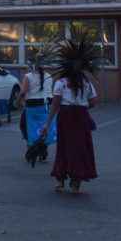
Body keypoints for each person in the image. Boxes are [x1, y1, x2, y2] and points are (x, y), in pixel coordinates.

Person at [39, 34, 99, 195]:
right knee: (80, 149)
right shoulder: (86, 83)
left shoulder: (60, 83)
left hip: (65, 116)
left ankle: (60, 177)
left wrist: (47, 122)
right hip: (81, 117)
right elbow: (93, 102)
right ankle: (76, 183)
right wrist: (82, 109)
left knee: (64, 147)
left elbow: (56, 104)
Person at [19, 55, 56, 163]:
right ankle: (43, 151)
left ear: (32, 65)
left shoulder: (28, 76)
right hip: (47, 105)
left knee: (25, 126)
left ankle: (32, 144)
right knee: (43, 128)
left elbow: (23, 92)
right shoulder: (49, 76)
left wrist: (17, 101)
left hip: (33, 106)